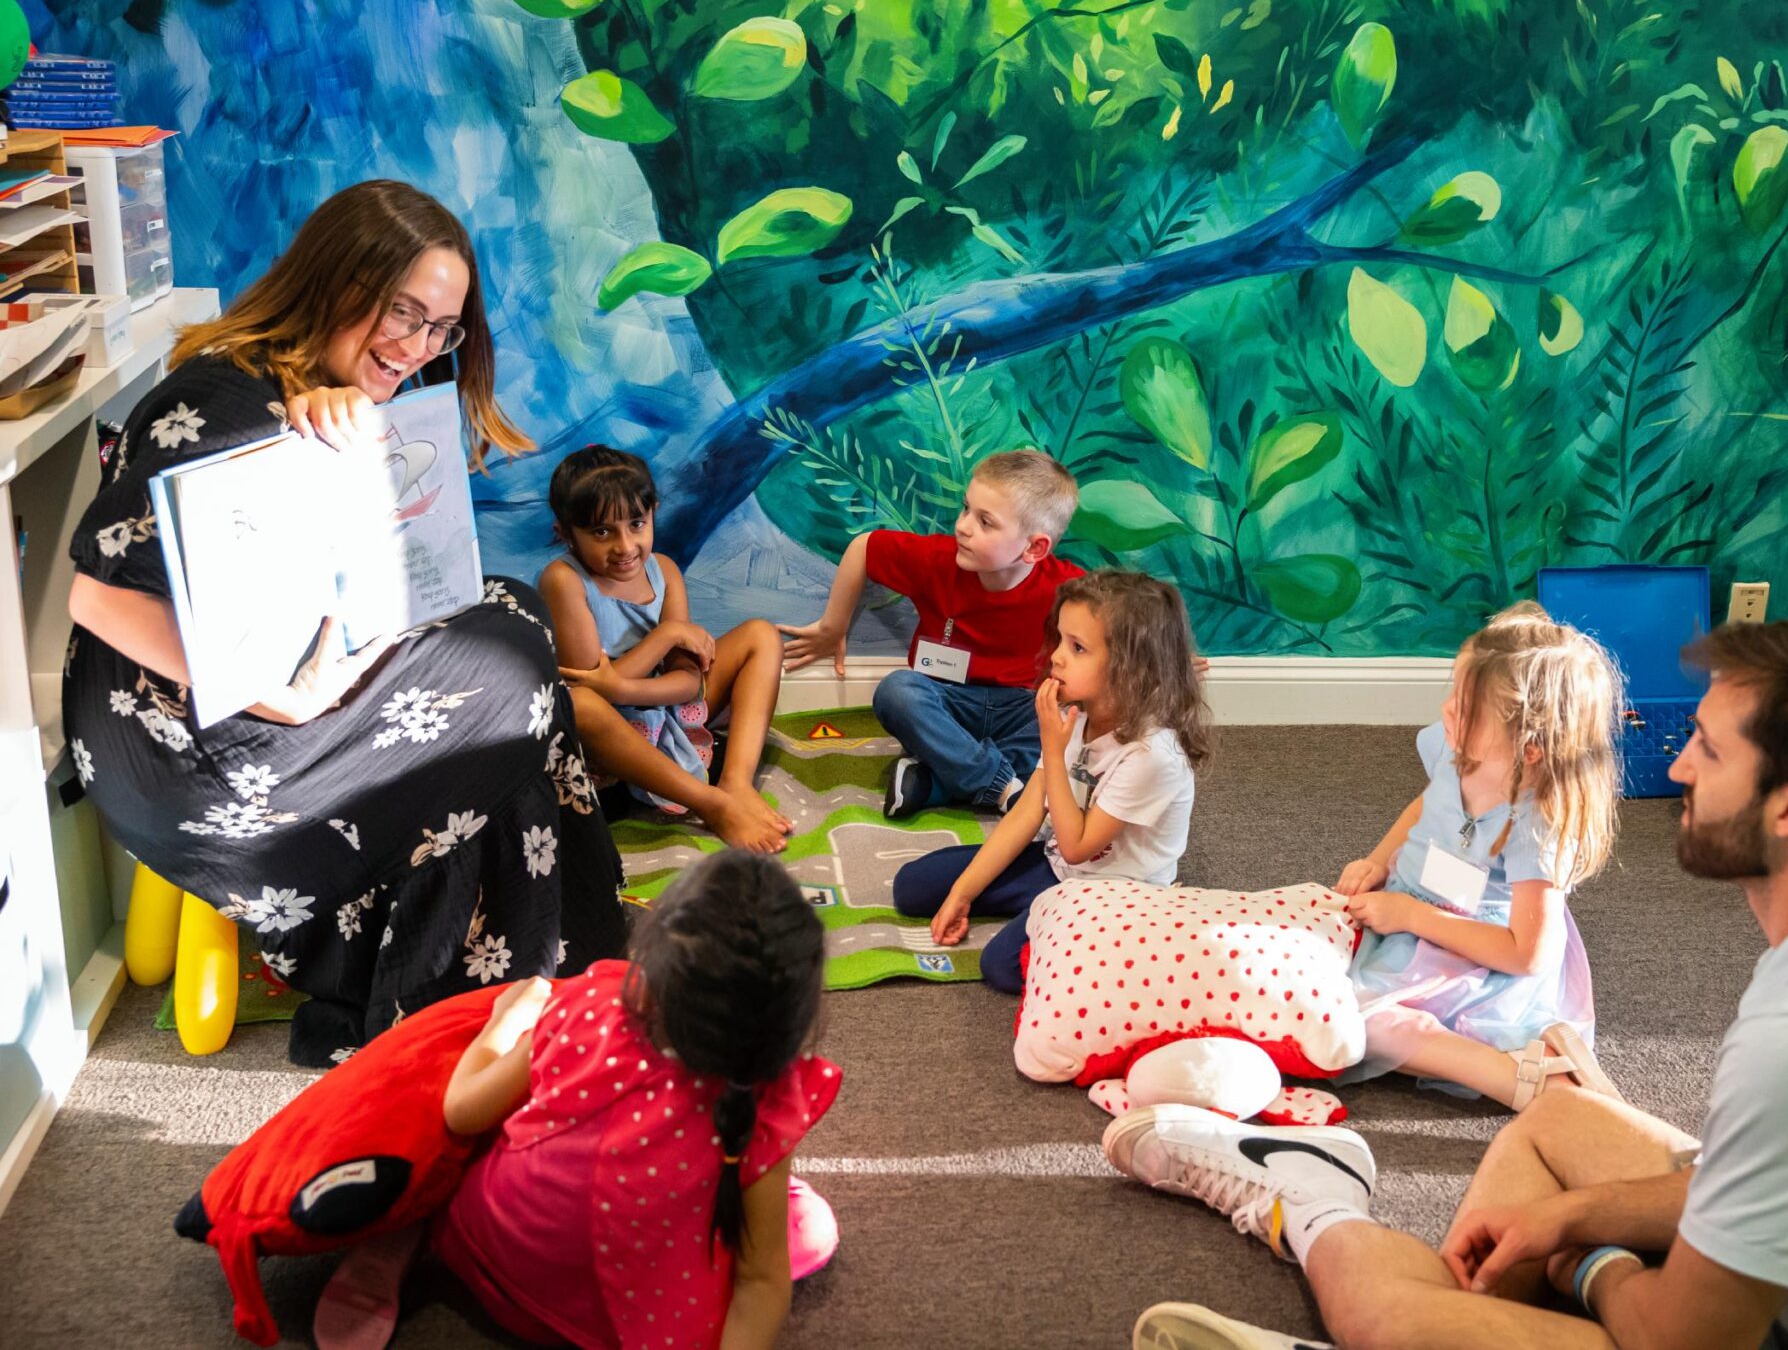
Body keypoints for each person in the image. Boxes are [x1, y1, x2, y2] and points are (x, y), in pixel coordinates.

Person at [1106, 620, 1788, 1350]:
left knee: (1394, 1318)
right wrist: (1569, 1210)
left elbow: (1683, 1336)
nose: (1676, 767)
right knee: (1550, 1114)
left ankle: (1308, 1209)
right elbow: (1776, 1174)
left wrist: (1584, 1256)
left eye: (1710, 751)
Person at [63, 180, 625, 1068]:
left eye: (441, 328)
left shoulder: (307, 382)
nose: (416, 346)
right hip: (202, 747)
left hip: (265, 697)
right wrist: (276, 694)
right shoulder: (219, 404)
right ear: (334, 280)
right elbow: (92, 598)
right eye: (402, 312)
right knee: (509, 676)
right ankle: (486, 993)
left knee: (506, 618)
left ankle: (523, 977)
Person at [312, 849, 842, 1350]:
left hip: (493, 1264)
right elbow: (761, 1281)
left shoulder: (592, 1000)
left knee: (470, 1086)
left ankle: (409, 1223)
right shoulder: (767, 1103)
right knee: (807, 1231)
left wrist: (506, 1022)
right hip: (627, 1324)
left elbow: (462, 1109)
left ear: (648, 962)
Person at [1331, 603, 1623, 1109]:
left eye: (1466, 708)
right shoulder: (1456, 747)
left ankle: (1517, 1078)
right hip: (1414, 908)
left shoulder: (1538, 825)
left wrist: (1413, 917)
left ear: (1531, 746)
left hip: (1478, 954)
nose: (1447, 711)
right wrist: (1380, 860)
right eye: (1453, 694)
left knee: (1350, 1021)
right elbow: (1429, 802)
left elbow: (1528, 955)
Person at [891, 570, 1211, 994]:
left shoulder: (1153, 754)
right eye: (1060, 639)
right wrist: (963, 893)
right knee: (912, 887)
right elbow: (1027, 813)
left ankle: (1137, 936)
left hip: (1115, 893)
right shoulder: (1077, 713)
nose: (1057, 657)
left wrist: (1054, 751)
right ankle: (1039, 909)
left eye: (1077, 648)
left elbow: (1079, 846)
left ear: (1131, 668)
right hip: (1059, 864)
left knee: (1002, 967)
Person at [778, 449, 1082, 817]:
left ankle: (934, 782)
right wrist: (832, 627)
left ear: (1034, 548)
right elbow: (865, 546)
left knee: (1068, 719)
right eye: (966, 509)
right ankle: (1001, 786)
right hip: (947, 702)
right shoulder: (938, 559)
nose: (964, 526)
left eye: (986, 522)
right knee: (897, 691)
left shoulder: (1068, 587)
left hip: (1019, 706)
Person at [538, 444, 794, 854]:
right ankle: (709, 801)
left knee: (761, 635)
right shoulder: (563, 580)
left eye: (636, 524)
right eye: (601, 532)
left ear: (653, 512)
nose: (624, 547)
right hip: (608, 733)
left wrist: (629, 681)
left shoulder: (665, 571)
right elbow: (593, 684)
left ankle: (736, 783)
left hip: (661, 702)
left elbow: (688, 683)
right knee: (580, 703)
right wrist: (666, 634)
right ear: (566, 534)